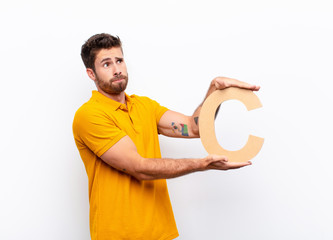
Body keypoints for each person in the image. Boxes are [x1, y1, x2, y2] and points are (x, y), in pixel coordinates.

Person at [73, 33, 260, 240]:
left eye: (119, 60)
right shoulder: (89, 115)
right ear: (91, 73)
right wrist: (201, 164)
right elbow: (139, 167)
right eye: (106, 64)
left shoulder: (144, 106)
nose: (117, 69)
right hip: (118, 235)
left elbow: (195, 128)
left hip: (160, 232)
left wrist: (214, 92)